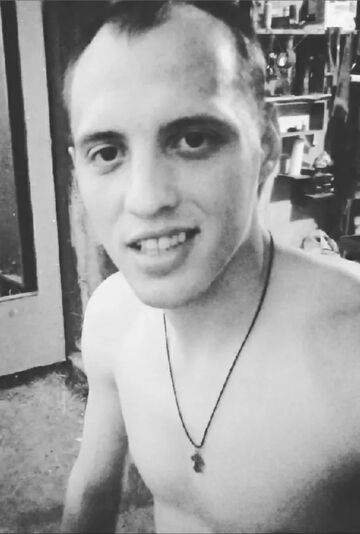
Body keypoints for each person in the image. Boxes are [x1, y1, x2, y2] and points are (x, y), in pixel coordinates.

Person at [61, 1, 360, 532]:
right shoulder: (111, 317)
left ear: (267, 147)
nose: (146, 199)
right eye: (107, 152)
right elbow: (93, 488)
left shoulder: (350, 349)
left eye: (193, 139)